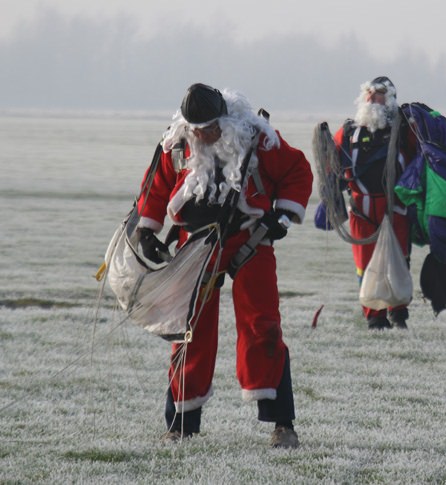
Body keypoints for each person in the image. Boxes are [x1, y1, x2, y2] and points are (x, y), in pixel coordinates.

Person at [134, 83, 313, 447]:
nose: (203, 135)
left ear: (225, 119)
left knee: (263, 327)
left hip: (250, 241)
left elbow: (297, 170)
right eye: (196, 128)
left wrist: (282, 215)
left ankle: (283, 424)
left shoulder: (258, 140)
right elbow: (156, 186)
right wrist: (148, 229)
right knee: (189, 331)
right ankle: (181, 424)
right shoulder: (177, 144)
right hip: (194, 247)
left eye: (210, 127)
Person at [326, 76, 417, 330]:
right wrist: (330, 198)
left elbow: (420, 159)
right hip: (361, 208)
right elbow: (331, 163)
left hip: (395, 206)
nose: (371, 98)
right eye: (368, 93)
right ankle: (373, 315)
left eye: (377, 94)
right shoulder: (348, 131)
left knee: (398, 260)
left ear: (389, 99)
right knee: (364, 263)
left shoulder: (404, 130)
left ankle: (398, 312)